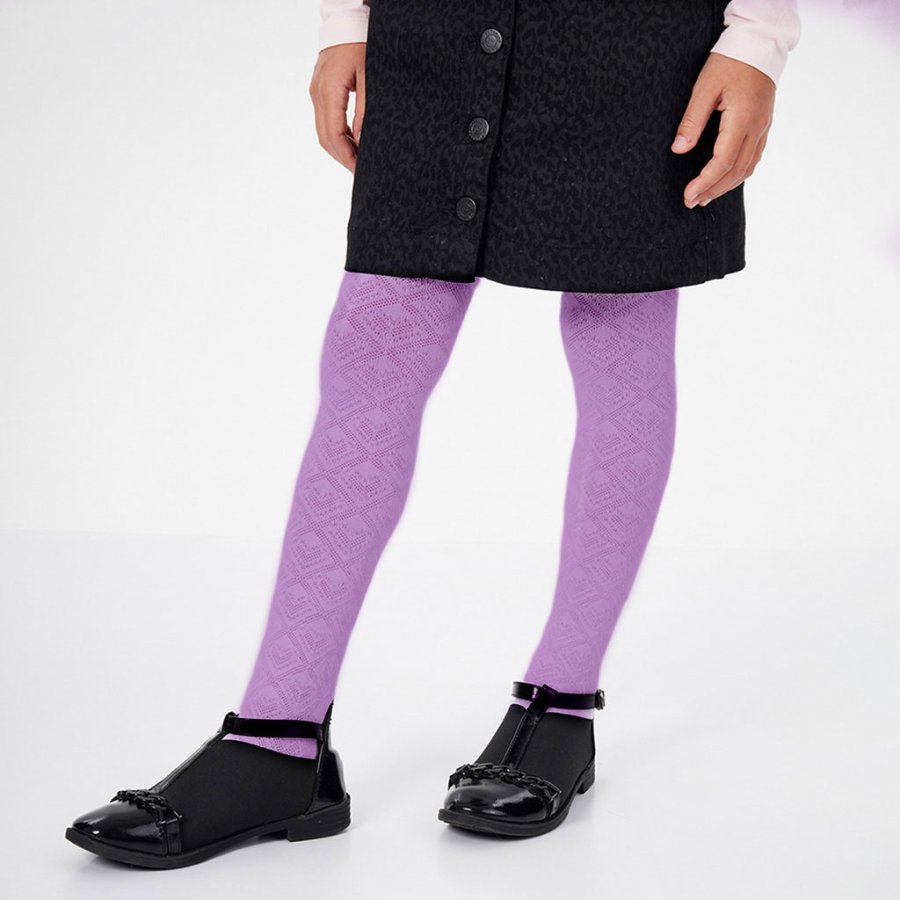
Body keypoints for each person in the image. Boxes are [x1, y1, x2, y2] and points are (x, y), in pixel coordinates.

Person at [65, 0, 801, 866]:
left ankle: (561, 707)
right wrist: (346, 20)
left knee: (620, 337)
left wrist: (758, 37)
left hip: (633, 40)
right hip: (433, 31)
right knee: (373, 346)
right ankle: (276, 739)